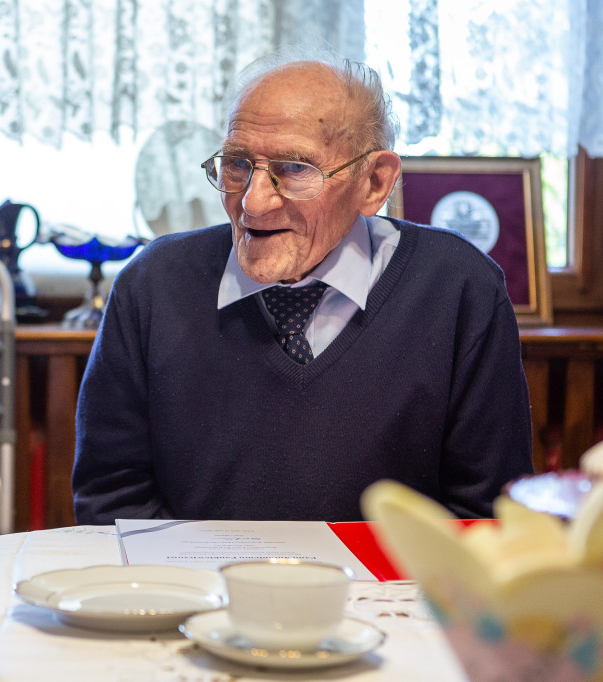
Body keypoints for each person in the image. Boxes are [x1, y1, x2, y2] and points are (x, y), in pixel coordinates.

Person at [72, 53, 535, 525]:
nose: (252, 202)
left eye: (294, 169)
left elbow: (486, 518)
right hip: (199, 595)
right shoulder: (153, 285)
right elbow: (112, 501)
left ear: (374, 183)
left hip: (387, 597)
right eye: (236, 164)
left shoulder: (460, 289)